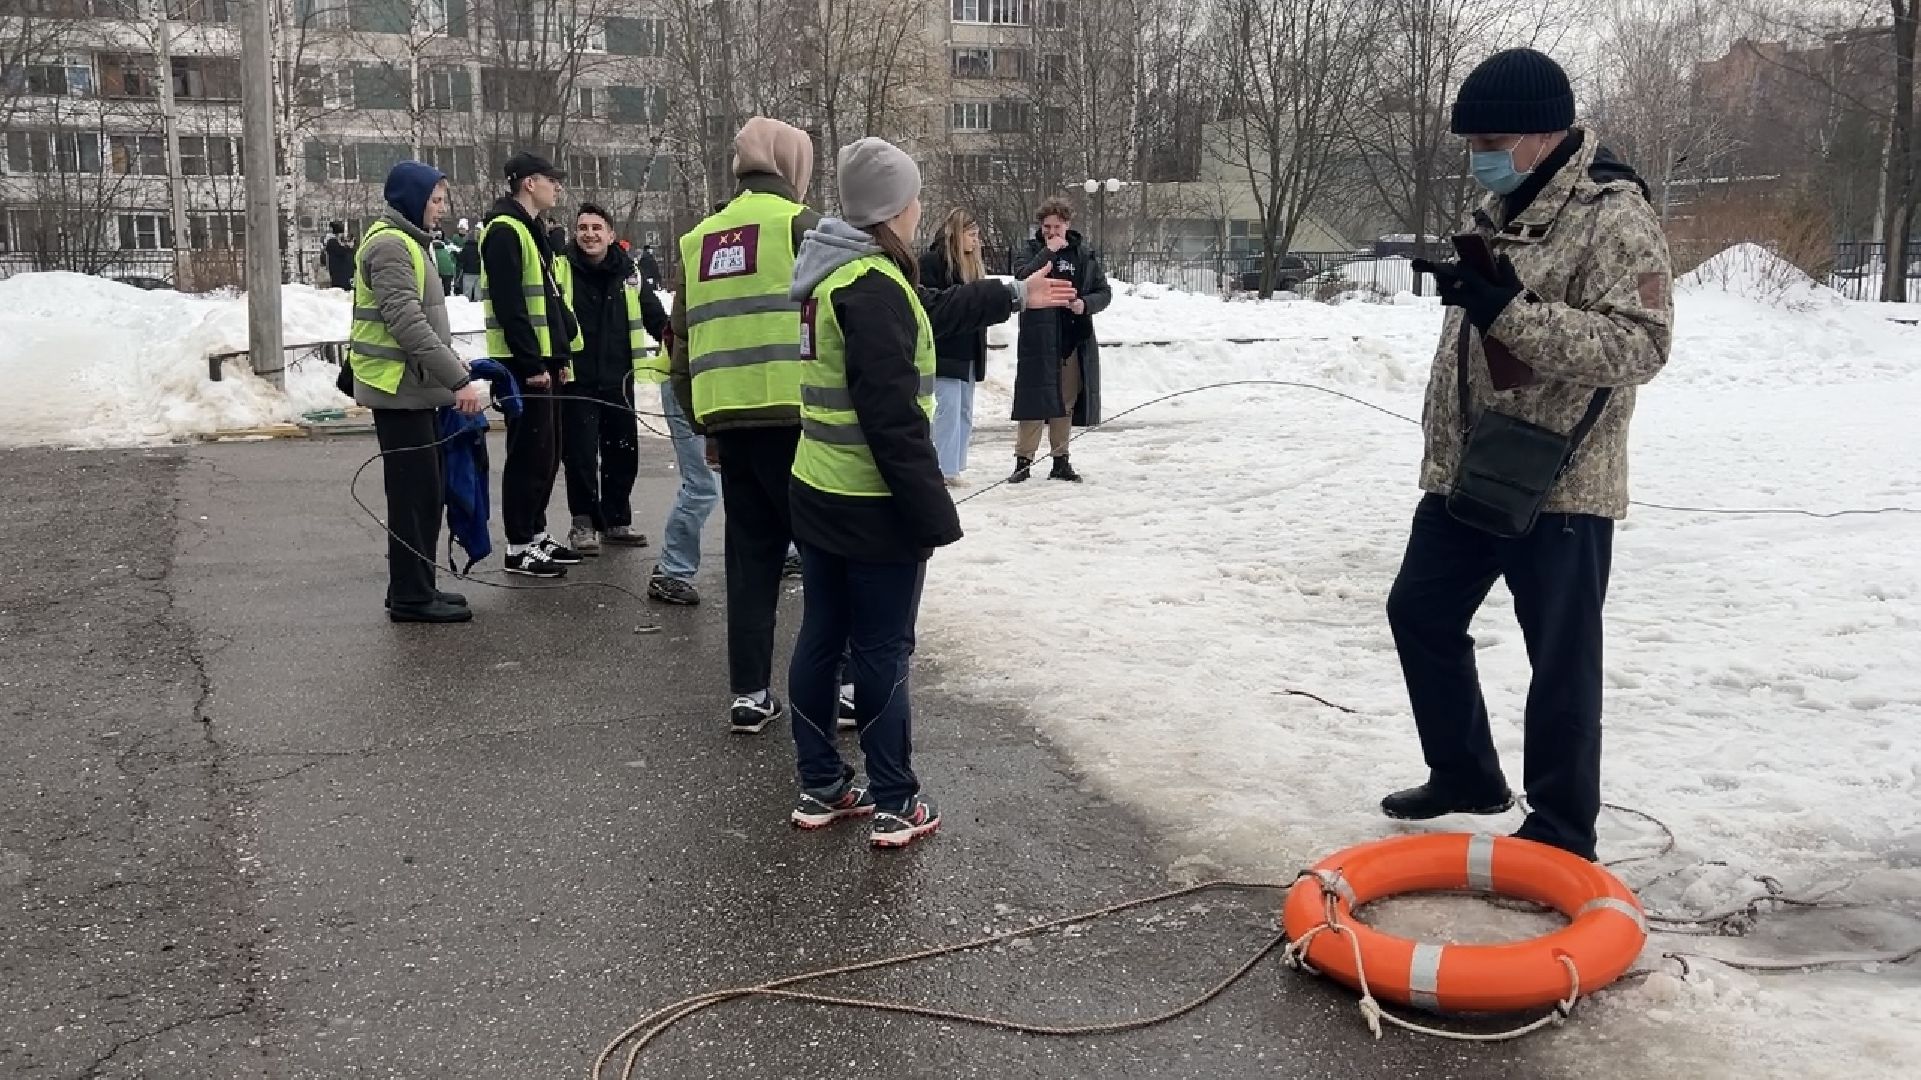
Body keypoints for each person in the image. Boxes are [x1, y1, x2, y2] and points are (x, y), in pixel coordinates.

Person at [1382, 48, 1673, 862]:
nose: (1479, 151)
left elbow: (1640, 346)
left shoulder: (1612, 214)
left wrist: (1508, 311)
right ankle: (1466, 773)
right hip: (1467, 471)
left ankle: (1559, 825)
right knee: (1419, 612)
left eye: (1493, 136)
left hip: (1560, 482)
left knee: (1560, 660)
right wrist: (1472, 290)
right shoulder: (1498, 203)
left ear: (1546, 133)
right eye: (1471, 138)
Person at [786, 137, 1077, 847]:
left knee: (822, 636)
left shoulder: (841, 276)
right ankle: (895, 800)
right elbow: (892, 423)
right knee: (883, 649)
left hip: (817, 489)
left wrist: (1015, 292)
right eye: (912, 197)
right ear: (893, 208)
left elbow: (930, 311)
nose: (919, 208)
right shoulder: (872, 287)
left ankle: (822, 785)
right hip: (870, 506)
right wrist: (930, 516)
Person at [346, 161, 485, 623]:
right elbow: (406, 322)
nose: (442, 209)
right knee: (414, 497)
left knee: (427, 494)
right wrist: (458, 380)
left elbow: (422, 322)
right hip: (397, 391)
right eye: (436, 199)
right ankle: (410, 596)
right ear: (413, 198)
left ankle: (415, 585)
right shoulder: (390, 245)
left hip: (416, 389)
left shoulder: (411, 242)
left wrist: (451, 364)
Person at [480, 151, 582, 578]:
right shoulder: (504, 231)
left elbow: (549, 300)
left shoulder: (531, 230)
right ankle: (519, 544)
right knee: (527, 454)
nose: (556, 187)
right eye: (550, 179)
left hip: (542, 359)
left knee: (547, 452)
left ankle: (536, 533)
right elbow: (511, 305)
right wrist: (530, 362)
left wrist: (557, 357)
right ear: (527, 183)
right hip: (522, 363)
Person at [555, 202, 668, 555]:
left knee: (623, 451)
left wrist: (673, 339)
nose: (589, 234)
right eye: (583, 227)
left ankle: (617, 518)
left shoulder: (628, 272)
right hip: (577, 378)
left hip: (619, 378)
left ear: (610, 234)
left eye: (596, 228)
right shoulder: (562, 270)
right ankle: (584, 523)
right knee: (581, 455)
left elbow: (654, 315)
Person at [1009, 198, 1109, 483]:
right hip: (1039, 338)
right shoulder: (1030, 250)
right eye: (1046, 227)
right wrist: (1048, 251)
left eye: (1057, 227)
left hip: (1072, 337)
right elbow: (1022, 277)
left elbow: (1103, 291)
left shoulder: (1083, 254)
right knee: (1034, 400)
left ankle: (1060, 460)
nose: (1052, 232)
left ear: (1067, 225)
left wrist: (1085, 304)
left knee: (1066, 401)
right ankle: (1023, 461)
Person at [918, 208, 988, 485]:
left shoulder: (971, 266)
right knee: (948, 407)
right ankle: (944, 468)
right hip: (946, 348)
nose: (975, 240)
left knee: (964, 409)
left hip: (968, 347)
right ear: (957, 234)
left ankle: (955, 464)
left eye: (976, 235)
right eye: (970, 234)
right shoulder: (934, 263)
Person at [456, 217, 482, 301]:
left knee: (467, 294)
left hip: (467, 272)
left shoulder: (466, 247)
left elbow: (461, 259)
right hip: (479, 272)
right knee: (478, 295)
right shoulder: (480, 247)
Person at [324, 221, 354, 290]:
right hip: (339, 275)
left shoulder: (333, 242)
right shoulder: (332, 242)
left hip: (340, 274)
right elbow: (342, 252)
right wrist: (349, 248)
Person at [431, 228, 456, 296]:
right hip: (448, 272)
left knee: (437, 292)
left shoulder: (431, 249)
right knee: (447, 292)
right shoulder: (448, 247)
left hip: (437, 272)